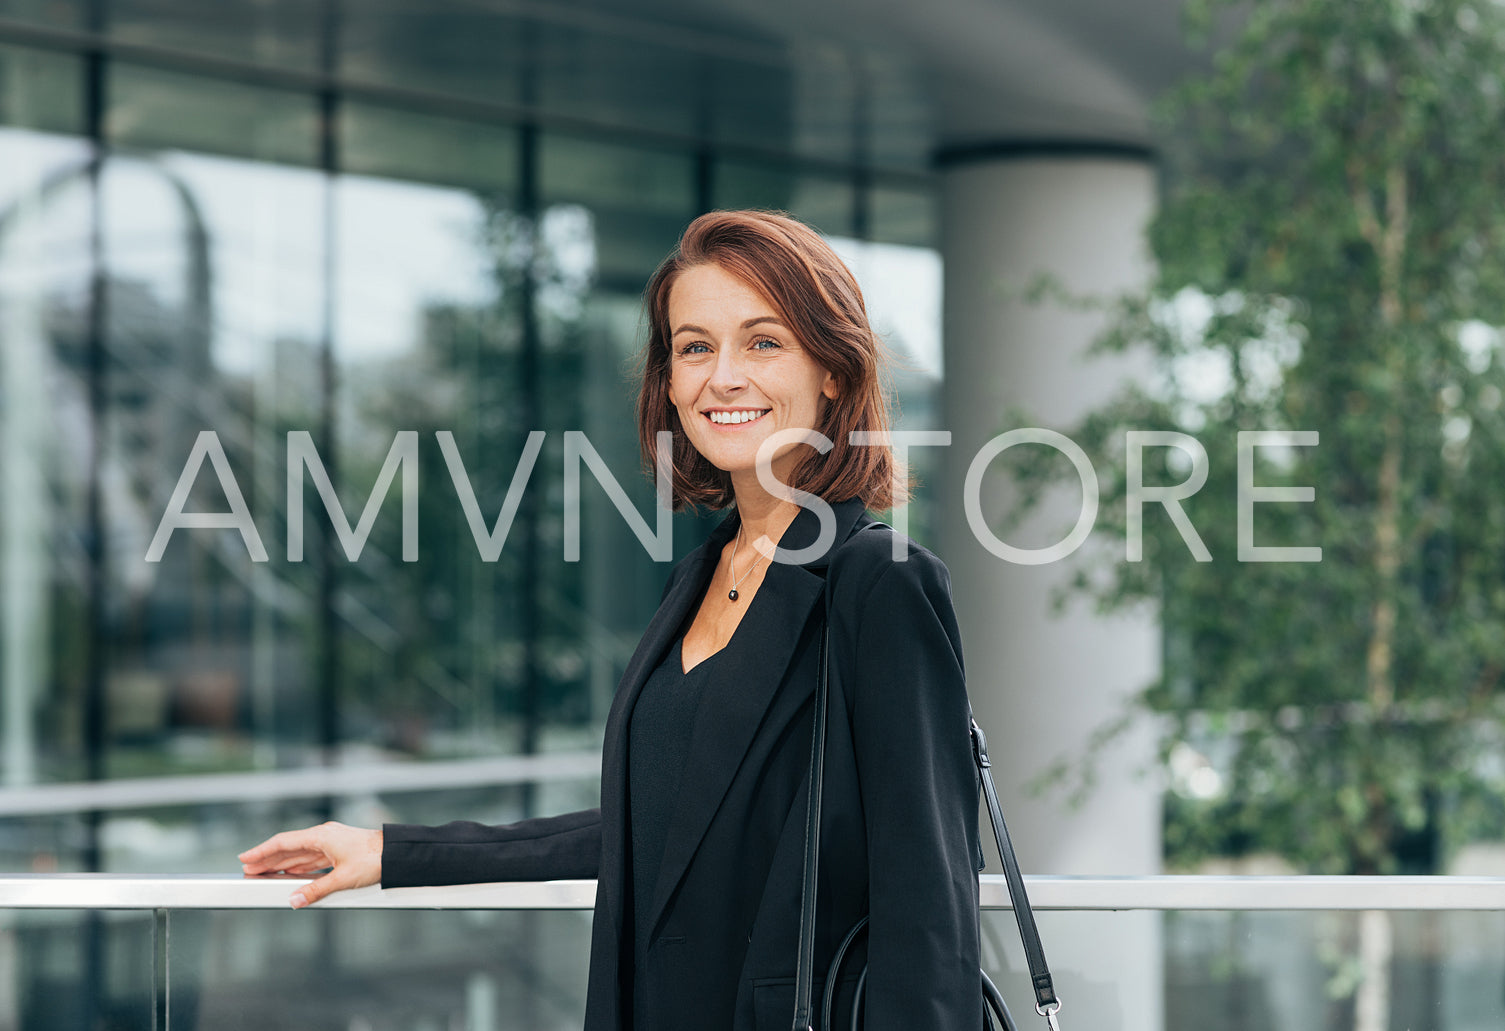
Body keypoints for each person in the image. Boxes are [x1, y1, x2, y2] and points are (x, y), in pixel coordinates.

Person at [239, 209, 984, 1031]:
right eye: (695, 347)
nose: (722, 376)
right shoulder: (699, 576)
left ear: (833, 371)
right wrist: (394, 851)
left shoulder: (879, 583)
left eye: (763, 342)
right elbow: (657, 824)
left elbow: (930, 901)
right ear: (668, 380)